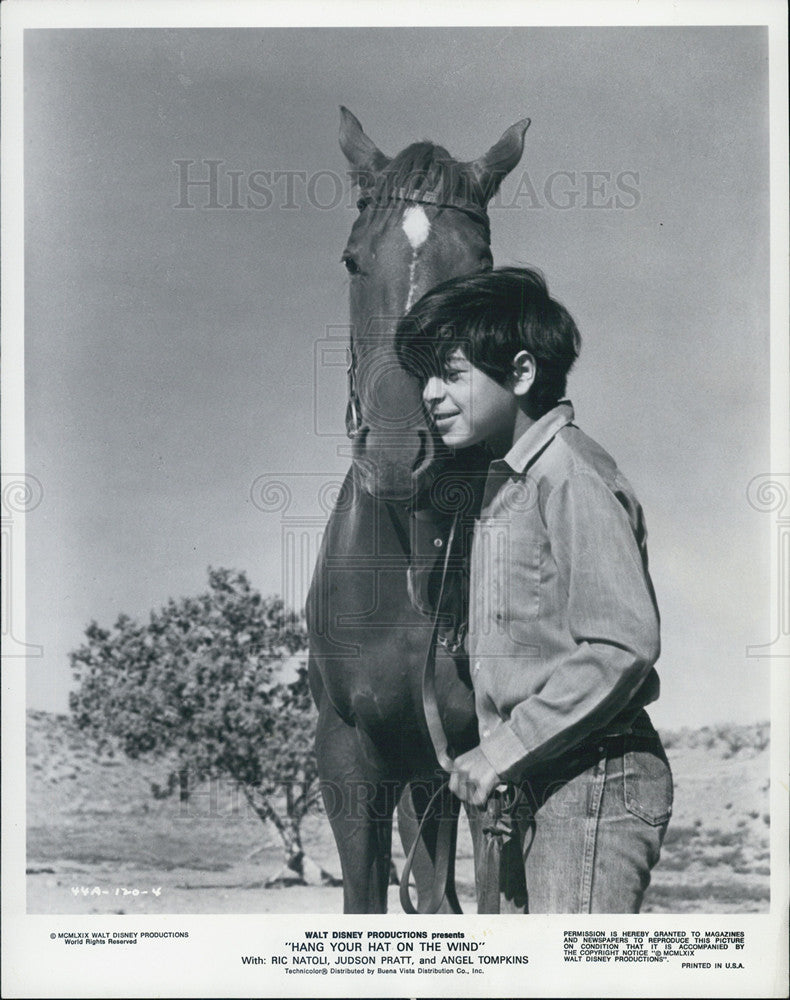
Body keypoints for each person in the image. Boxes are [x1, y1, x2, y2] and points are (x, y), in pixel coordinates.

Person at [394, 267, 673, 913]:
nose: (431, 394)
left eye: (452, 372)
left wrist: (505, 748)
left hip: (592, 779)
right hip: (536, 780)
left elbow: (621, 644)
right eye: (424, 377)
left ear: (520, 373)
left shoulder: (569, 473)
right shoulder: (504, 488)